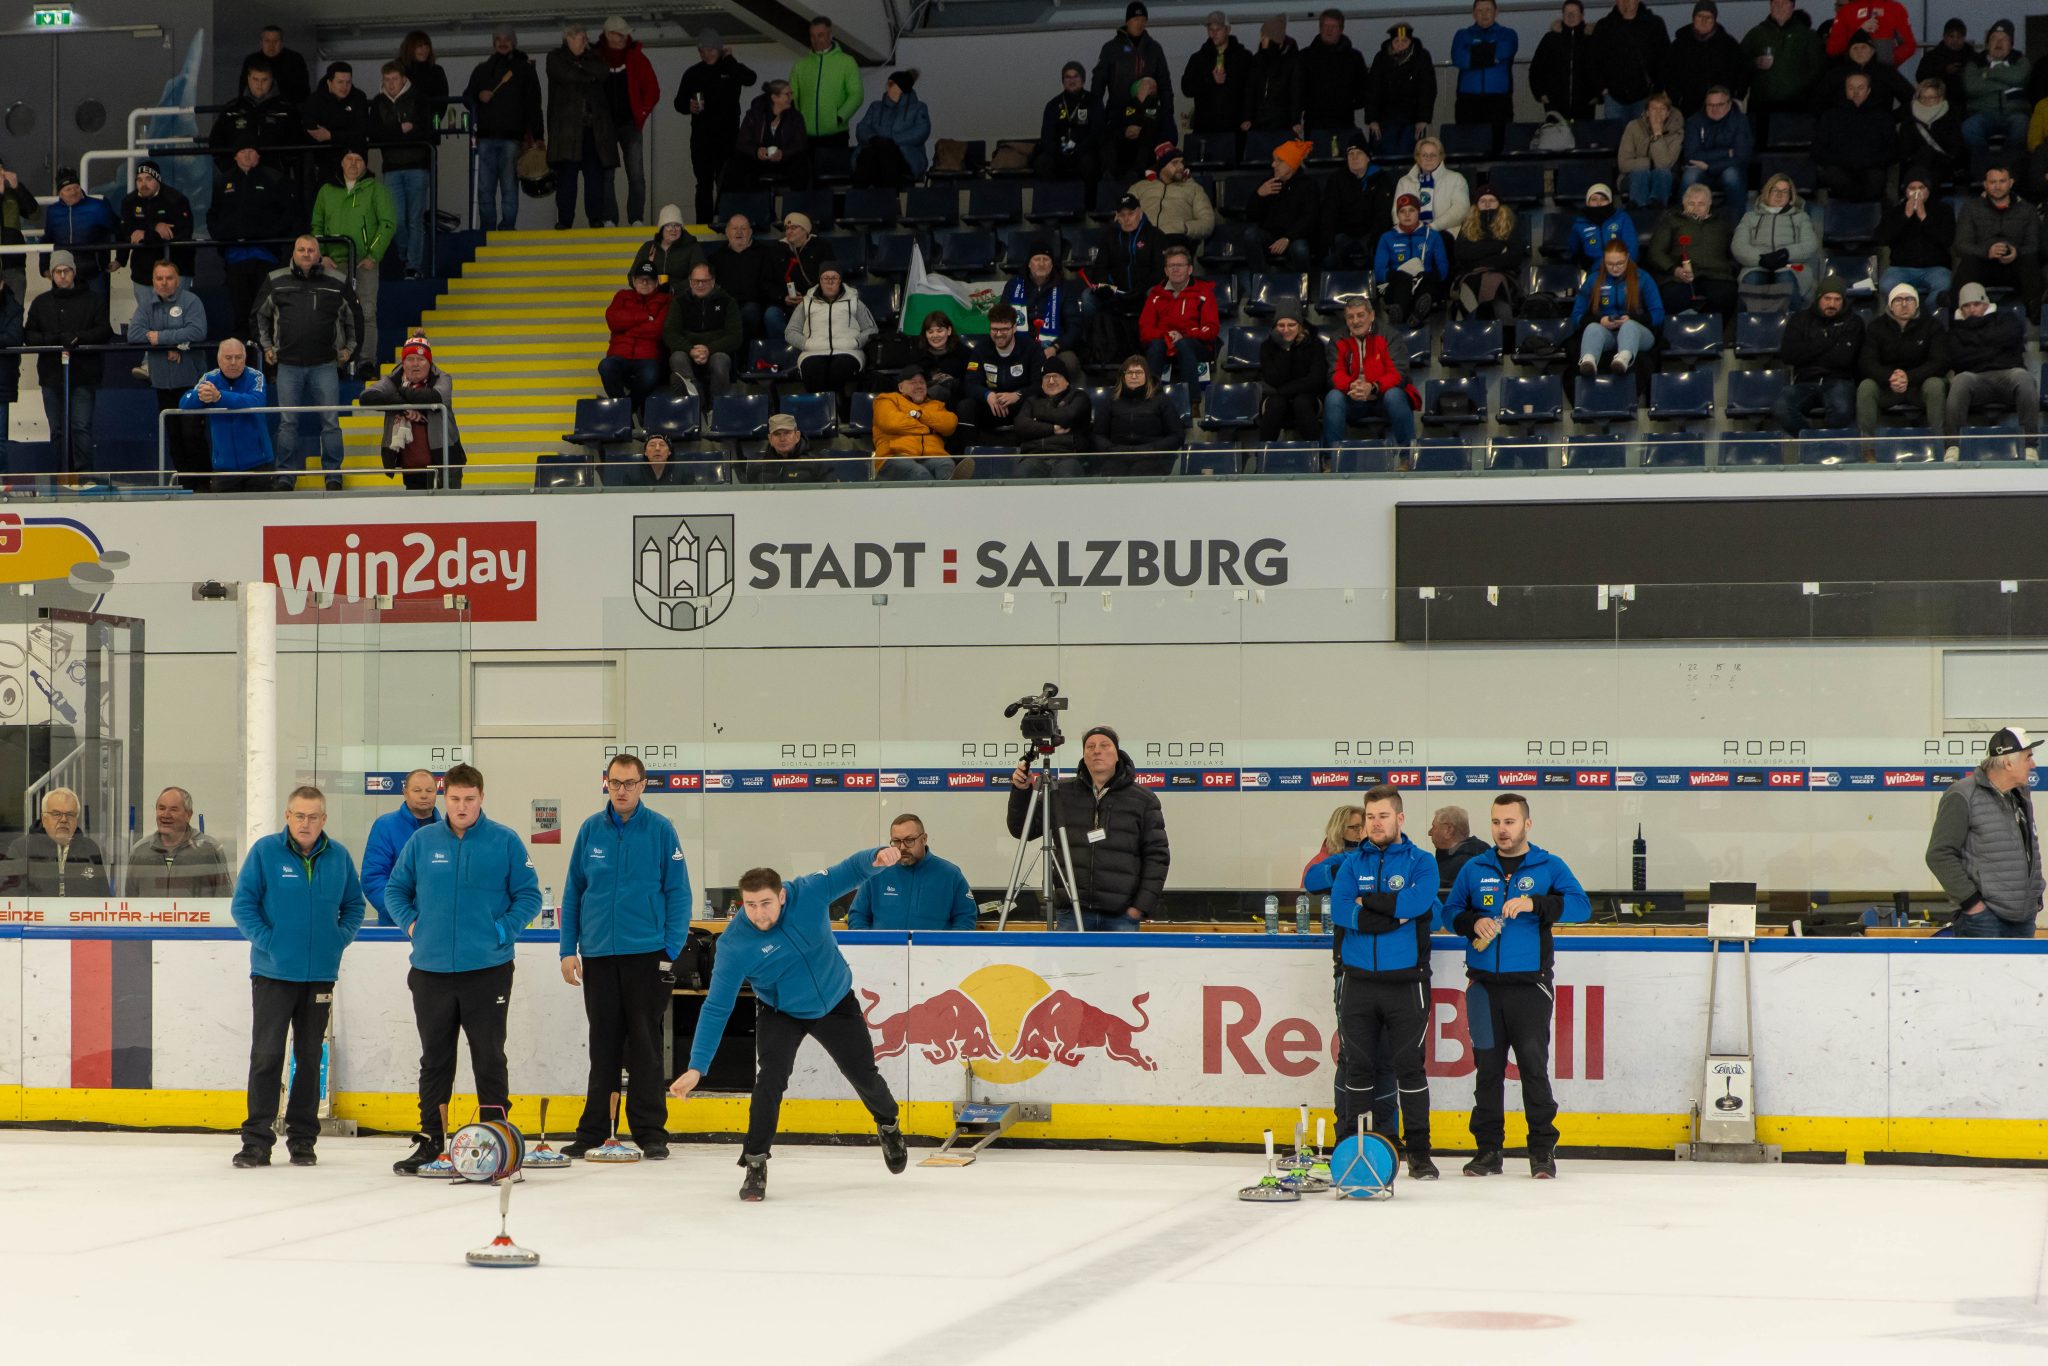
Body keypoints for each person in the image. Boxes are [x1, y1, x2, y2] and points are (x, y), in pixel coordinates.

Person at [668, 844, 911, 1201]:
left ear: (782, 895)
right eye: (749, 905)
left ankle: (888, 1125)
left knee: (863, 1074)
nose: (758, 913)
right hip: (780, 1011)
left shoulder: (808, 892)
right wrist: (696, 1067)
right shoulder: (735, 944)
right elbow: (717, 1007)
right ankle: (755, 1163)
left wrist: (877, 857)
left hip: (835, 1000)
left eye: (765, 903)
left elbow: (849, 870)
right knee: (770, 1080)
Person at [383, 763, 540, 1175]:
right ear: (444, 797)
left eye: (470, 799)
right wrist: (414, 925)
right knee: (435, 1060)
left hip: (487, 970)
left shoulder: (504, 841)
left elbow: (528, 896)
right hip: (431, 971)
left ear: (481, 798)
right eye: (454, 799)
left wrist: (501, 930)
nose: (462, 806)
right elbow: (395, 890)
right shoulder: (421, 842)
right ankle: (432, 1139)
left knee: (489, 1057)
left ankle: (495, 1138)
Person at [1440, 792, 1590, 1179]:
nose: (1502, 830)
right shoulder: (1475, 868)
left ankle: (1541, 1151)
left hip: (1530, 988)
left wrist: (1536, 904)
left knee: (1532, 1069)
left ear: (1526, 824)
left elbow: (1581, 907)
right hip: (1484, 988)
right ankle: (1488, 1151)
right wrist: (1472, 922)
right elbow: (1450, 911)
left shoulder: (1549, 865)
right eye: (1495, 822)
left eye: (1509, 822)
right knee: (1487, 1071)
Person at [1303, 784, 1442, 1179]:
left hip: (1407, 983)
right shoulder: (1350, 864)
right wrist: (1390, 916)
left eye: (1382, 816)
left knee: (1409, 1069)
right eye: (1369, 817)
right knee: (1357, 1069)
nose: (1374, 823)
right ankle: (1352, 1146)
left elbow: (1419, 904)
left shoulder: (1422, 861)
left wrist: (1372, 904)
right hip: (1358, 982)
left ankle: (1418, 1152)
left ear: (1399, 818)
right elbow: (1342, 910)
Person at [558, 753, 689, 1160]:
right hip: (597, 956)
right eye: (615, 782)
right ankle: (594, 1130)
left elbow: (679, 893)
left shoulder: (661, 830)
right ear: (606, 783)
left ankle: (651, 1132)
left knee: (646, 1048)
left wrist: (669, 950)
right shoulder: (589, 831)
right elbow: (573, 893)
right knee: (604, 1047)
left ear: (643, 785)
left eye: (630, 783)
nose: (622, 790)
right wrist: (568, 949)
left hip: (645, 956)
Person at [227, 785, 364, 1168]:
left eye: (314, 816)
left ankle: (303, 1140)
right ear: (287, 816)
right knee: (267, 1056)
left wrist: (337, 941)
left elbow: (354, 906)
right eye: (299, 815)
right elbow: (243, 905)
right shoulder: (266, 853)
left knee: (308, 1056)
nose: (306, 823)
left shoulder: (338, 858)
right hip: (272, 974)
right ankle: (256, 1140)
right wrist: (269, 942)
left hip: (320, 975)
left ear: (324, 820)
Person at [1007, 724, 1168, 930]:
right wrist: (1021, 791)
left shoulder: (1143, 799)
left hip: (1122, 916)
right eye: (1090, 747)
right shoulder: (1060, 793)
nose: (1097, 751)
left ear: (1117, 754)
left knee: (1121, 964)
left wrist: (1140, 907)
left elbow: (1157, 856)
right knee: (1067, 964)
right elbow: (1022, 829)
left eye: (1104, 745)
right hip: (1072, 914)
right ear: (1083, 755)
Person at [257, 236, 356, 490]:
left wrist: (350, 349)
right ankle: (285, 475)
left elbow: (355, 317)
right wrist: (266, 346)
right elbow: (259, 315)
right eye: (301, 249)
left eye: (311, 250)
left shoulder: (337, 280)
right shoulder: (276, 279)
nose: (306, 254)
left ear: (318, 253)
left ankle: (333, 474)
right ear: (294, 252)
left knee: (330, 422)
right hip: (287, 365)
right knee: (288, 422)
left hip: (325, 364)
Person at [1926, 727, 2042, 939]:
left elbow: (2027, 849)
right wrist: (1972, 904)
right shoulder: (1962, 795)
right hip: (1983, 921)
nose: (2033, 765)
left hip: (2023, 918)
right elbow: (1939, 854)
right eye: (2028, 758)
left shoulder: (2020, 795)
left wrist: (2034, 897)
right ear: (2008, 763)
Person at [22, 251, 111, 480]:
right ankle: (63, 474)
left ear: (73, 271)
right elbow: (29, 335)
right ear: (51, 274)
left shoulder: (93, 300)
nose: (62, 276)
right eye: (57, 272)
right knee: (58, 430)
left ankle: (84, 477)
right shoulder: (41, 303)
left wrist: (77, 338)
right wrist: (54, 339)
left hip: (84, 375)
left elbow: (104, 331)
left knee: (80, 426)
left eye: (66, 271)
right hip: (52, 377)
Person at [310, 148, 394, 380]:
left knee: (366, 311)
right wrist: (322, 255)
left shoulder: (376, 189)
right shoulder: (327, 190)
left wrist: (373, 255)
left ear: (365, 165)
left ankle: (366, 362)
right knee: (335, 311)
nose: (354, 164)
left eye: (359, 160)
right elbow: (316, 225)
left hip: (364, 262)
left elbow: (387, 223)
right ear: (341, 162)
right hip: (333, 262)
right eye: (349, 159)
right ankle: (337, 362)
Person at [127, 261, 209, 489]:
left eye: (169, 278)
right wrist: (173, 344)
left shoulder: (191, 301)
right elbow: (134, 334)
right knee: (175, 437)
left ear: (178, 280)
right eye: (159, 278)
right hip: (163, 383)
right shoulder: (147, 305)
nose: (164, 283)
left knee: (192, 435)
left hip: (191, 382)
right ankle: (185, 485)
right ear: (153, 281)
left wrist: (161, 339)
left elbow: (197, 331)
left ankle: (203, 484)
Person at [210, 142, 298, 340]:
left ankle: (267, 363)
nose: (247, 155)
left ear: (258, 155)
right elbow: (213, 216)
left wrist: (267, 235)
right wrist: (224, 237)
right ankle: (241, 365)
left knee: (265, 312)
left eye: (251, 151)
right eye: (242, 151)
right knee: (241, 314)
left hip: (266, 256)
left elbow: (288, 215)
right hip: (235, 257)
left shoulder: (274, 178)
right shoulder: (223, 181)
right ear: (235, 156)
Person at [1943, 282, 2038, 459]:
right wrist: (1994, 347)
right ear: (1961, 309)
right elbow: (1958, 358)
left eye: (1976, 304)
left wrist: (1974, 345)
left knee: (2024, 379)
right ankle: (1952, 446)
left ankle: (2030, 445)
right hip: (1974, 379)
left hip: (2008, 374)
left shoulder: (2007, 319)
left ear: (1986, 304)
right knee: (1959, 382)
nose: (1972, 309)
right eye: (1966, 306)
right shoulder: (1955, 331)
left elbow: (2011, 338)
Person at [465, 26, 545, 234]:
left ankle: (507, 228)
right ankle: (488, 231)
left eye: (507, 39)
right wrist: (477, 96)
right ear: (493, 43)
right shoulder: (481, 70)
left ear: (514, 42)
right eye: (498, 39)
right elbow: (467, 96)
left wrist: (538, 136)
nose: (503, 42)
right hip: (486, 139)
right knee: (485, 190)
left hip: (513, 140)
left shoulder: (525, 70)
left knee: (509, 188)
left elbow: (534, 104)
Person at [359, 334, 463, 489]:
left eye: (421, 359)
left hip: (446, 462)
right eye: (410, 359)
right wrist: (401, 403)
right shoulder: (394, 380)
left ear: (429, 362)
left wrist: (400, 394)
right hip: (412, 467)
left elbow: (434, 396)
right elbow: (366, 397)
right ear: (403, 363)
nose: (415, 364)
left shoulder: (443, 378)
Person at [675, 30, 756, 225]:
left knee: (726, 184)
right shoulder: (693, 73)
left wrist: (729, 60)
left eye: (711, 50)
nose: (706, 54)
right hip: (701, 140)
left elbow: (750, 78)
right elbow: (678, 102)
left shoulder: (731, 69)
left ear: (719, 50)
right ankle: (703, 225)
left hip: (728, 139)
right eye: (702, 51)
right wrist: (689, 106)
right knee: (703, 185)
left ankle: (726, 222)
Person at [848, 814, 978, 930]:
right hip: (882, 954)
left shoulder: (950, 874)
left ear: (924, 839)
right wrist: (868, 945)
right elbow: (858, 916)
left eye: (909, 840)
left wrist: (948, 948)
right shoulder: (877, 872)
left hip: (935, 955)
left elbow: (965, 918)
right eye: (897, 841)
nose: (903, 847)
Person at [180, 339, 276, 492]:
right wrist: (200, 396)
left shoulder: (256, 377)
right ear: (219, 360)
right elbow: (184, 404)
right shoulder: (209, 379)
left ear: (244, 359)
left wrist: (219, 397)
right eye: (228, 357)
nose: (233, 362)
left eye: (238, 357)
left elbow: (255, 401)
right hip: (224, 468)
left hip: (259, 465)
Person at [1324, 295, 1419, 451]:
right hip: (1353, 398)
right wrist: (1351, 385)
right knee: (1333, 398)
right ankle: (1330, 459)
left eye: (1361, 315)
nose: (1355, 321)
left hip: (1383, 398)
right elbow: (1334, 374)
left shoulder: (1389, 336)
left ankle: (1408, 456)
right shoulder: (1337, 339)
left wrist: (1373, 387)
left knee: (1395, 395)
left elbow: (1398, 373)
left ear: (1372, 315)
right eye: (1350, 317)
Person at [1856, 282, 1948, 441]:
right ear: (1890, 305)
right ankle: (1867, 448)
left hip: (1920, 386)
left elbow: (1939, 362)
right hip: (1887, 386)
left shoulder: (1933, 326)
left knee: (1935, 385)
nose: (1904, 304)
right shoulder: (1876, 327)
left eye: (1910, 299)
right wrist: (1890, 377)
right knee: (1866, 387)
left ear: (1917, 304)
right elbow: (1867, 362)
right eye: (1898, 300)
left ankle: (1939, 442)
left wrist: (1909, 377)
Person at [1771, 275, 1863, 435]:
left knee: (1842, 410)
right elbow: (1788, 355)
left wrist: (1809, 349)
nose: (1832, 304)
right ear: (1819, 297)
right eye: (1827, 298)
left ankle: (1824, 446)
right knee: (1781, 408)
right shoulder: (1799, 320)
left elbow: (1844, 359)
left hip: (1838, 380)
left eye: (1837, 299)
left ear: (1843, 301)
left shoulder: (1853, 322)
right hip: (1805, 381)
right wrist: (1828, 341)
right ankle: (1814, 444)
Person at [547, 23, 617, 230]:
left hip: (592, 130)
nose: (586, 42)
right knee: (567, 178)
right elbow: (565, 75)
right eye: (582, 38)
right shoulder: (555, 57)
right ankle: (565, 220)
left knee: (594, 176)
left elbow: (603, 72)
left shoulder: (594, 57)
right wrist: (588, 75)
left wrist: (581, 68)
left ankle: (595, 218)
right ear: (569, 38)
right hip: (567, 131)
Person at [369, 62, 432, 278]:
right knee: (396, 220)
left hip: (417, 166)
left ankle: (413, 265)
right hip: (392, 168)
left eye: (395, 79)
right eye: (387, 80)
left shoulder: (419, 98)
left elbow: (426, 132)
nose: (391, 84)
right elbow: (375, 135)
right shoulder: (378, 102)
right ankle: (406, 258)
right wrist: (400, 130)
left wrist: (391, 134)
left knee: (415, 218)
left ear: (404, 79)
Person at [1954, 163, 2042, 315]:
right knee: (1968, 263)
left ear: (2011, 183)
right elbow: (1961, 245)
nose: (1997, 186)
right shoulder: (1971, 208)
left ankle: (2035, 318)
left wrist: (2016, 251)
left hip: (2016, 265)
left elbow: (2035, 245)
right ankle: (1959, 316)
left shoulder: (2027, 210)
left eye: (2002, 181)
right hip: (1983, 264)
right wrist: (1987, 252)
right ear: (1985, 184)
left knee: (2031, 262)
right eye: (1993, 182)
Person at [598, 17, 661, 228]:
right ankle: (609, 219)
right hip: (604, 126)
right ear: (608, 35)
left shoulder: (637, 58)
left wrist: (641, 112)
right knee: (606, 174)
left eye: (625, 34)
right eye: (618, 34)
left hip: (630, 124)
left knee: (636, 174)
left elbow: (652, 90)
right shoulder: (596, 57)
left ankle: (636, 218)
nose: (623, 38)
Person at [786, 265, 875, 407]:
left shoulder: (854, 301)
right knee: (812, 369)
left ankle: (840, 406)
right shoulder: (806, 303)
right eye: (825, 278)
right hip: (813, 351)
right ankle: (819, 411)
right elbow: (791, 331)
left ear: (840, 281)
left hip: (848, 350)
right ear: (819, 281)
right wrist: (807, 344)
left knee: (839, 368)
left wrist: (855, 342)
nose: (830, 282)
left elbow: (871, 329)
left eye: (834, 278)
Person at [1645, 182, 1738, 317]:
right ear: (1684, 204)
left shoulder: (1721, 224)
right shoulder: (1671, 221)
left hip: (1716, 275)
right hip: (1678, 277)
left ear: (1709, 204)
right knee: (1673, 296)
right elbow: (1655, 252)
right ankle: (1683, 335)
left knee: (1726, 295)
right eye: (1691, 204)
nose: (1696, 208)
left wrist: (1730, 269)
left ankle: (1708, 333)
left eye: (1701, 204)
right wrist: (1674, 269)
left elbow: (1734, 252)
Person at [361, 769, 440, 925]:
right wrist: (405, 916)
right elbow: (373, 878)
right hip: (395, 928)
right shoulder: (385, 826)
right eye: (417, 790)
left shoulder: (447, 830)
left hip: (437, 927)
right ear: (405, 792)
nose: (424, 795)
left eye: (429, 790)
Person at [1573, 239, 1665, 374]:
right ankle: (1588, 361)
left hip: (1638, 333)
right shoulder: (1593, 279)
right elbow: (1576, 316)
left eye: (1620, 263)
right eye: (1610, 264)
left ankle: (1622, 360)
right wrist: (1600, 321)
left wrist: (1633, 318)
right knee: (1592, 328)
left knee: (1629, 326)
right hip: (1608, 334)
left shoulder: (1643, 278)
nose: (1615, 268)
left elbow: (1658, 314)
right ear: (1603, 260)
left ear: (1627, 257)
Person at [1741, 0, 1824, 146]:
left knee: (1792, 153)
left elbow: (1817, 69)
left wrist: (1797, 88)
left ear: (1792, 7)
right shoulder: (1756, 33)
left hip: (1797, 109)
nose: (1779, 7)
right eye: (1775, 3)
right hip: (1762, 108)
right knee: (1762, 154)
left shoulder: (1806, 36)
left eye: (1784, 3)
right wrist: (1755, 62)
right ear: (1770, 6)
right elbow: (1738, 61)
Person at [1731, 172, 1819, 308]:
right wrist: (1760, 259)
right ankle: (1750, 326)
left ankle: (1791, 325)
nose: (1779, 195)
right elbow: (1738, 246)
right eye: (1775, 190)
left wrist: (1786, 254)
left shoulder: (1801, 216)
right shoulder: (1750, 217)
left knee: (1785, 279)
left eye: (1784, 192)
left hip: (1791, 265)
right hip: (1756, 265)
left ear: (1790, 196)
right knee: (1751, 280)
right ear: (1767, 192)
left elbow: (1810, 245)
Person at [1138, 246, 1220, 388]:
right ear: (1165, 270)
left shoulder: (1204, 293)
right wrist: (1167, 335)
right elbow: (1145, 330)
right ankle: (1150, 400)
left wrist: (1184, 334)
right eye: (1171, 265)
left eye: (1180, 265)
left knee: (1184, 344)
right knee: (1155, 346)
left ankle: (1193, 402)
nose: (1175, 269)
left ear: (1190, 269)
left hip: (1196, 344)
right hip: (1164, 343)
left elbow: (1211, 329)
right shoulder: (1155, 295)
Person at [0, 787, 108, 895]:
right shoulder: (22, 848)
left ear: (77, 820)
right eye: (56, 814)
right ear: (44, 819)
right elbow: (9, 896)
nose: (64, 820)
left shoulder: (89, 848)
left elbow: (104, 896)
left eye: (70, 814)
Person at [1091, 355, 1186, 474]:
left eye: (1139, 372)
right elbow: (1098, 435)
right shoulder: (1111, 401)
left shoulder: (1161, 400)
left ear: (1147, 376)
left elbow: (1177, 435)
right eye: (1130, 372)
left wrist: (1152, 449)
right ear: (1123, 376)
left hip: (1154, 457)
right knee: (1113, 472)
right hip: (1117, 457)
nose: (1134, 376)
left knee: (1140, 471)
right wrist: (1112, 450)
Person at [117, 160, 195, 303]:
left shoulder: (175, 199)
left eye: (148, 179)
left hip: (176, 269)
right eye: (139, 180)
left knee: (175, 316)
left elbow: (181, 234)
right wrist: (120, 259)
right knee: (148, 318)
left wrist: (146, 234)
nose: (143, 184)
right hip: (143, 272)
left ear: (158, 179)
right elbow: (126, 232)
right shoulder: (129, 202)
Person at [1093, 2, 1175, 137]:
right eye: (1136, 19)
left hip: (1148, 114)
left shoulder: (1154, 49)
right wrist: (1097, 114)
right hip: (1118, 113)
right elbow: (1098, 82)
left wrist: (1167, 113)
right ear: (1127, 21)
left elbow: (1164, 84)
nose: (1139, 24)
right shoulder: (1111, 48)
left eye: (1143, 20)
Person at [599, 261, 670, 415]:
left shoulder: (665, 300)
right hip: (619, 354)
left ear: (657, 282)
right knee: (605, 367)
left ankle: (623, 412)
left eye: (649, 279)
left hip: (647, 356)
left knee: (651, 375)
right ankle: (627, 412)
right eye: (641, 279)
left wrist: (627, 327)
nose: (644, 283)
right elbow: (613, 321)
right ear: (633, 281)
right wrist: (645, 317)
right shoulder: (622, 296)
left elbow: (657, 330)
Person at [664, 263, 741, 401]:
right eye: (695, 281)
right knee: (677, 358)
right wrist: (691, 350)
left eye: (704, 281)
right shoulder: (679, 302)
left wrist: (708, 349)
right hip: (688, 352)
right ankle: (696, 402)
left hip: (717, 351)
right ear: (690, 282)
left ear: (713, 281)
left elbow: (735, 336)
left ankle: (717, 407)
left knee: (720, 361)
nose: (699, 285)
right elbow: (670, 334)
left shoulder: (728, 302)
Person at [1875, 172, 1955, 305]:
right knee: (1886, 284)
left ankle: (1924, 316)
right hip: (1901, 268)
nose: (1917, 192)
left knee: (1944, 285)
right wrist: (1905, 216)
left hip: (1936, 268)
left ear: (1928, 189)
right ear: (1905, 191)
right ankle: (1904, 313)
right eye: (1912, 188)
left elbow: (1947, 240)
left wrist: (1924, 217)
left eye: (1921, 187)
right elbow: (1881, 238)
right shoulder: (1895, 211)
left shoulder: (1943, 210)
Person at [964, 304, 1044, 436]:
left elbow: (1039, 385)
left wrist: (1018, 395)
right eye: (994, 329)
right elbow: (970, 383)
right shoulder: (980, 349)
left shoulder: (1031, 349)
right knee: (966, 406)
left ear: (1014, 328)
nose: (999, 334)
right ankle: (970, 453)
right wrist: (987, 395)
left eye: (1004, 329)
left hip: (1020, 405)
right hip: (991, 405)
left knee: (1036, 403)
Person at [1817, 73, 1899, 201]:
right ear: (1845, 90)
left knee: (1876, 179)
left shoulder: (1883, 117)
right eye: (1851, 88)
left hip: (1872, 168)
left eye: (1860, 88)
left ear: (1868, 91)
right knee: (1834, 177)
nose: (1855, 92)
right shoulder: (1830, 116)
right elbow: (1818, 149)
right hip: (1839, 169)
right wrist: (1843, 161)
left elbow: (1892, 150)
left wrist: (1870, 161)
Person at [1452, 0, 1520, 153]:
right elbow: (1459, 58)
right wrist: (1491, 56)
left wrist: (1473, 52)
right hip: (1467, 101)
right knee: (1468, 150)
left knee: (1498, 150)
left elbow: (1504, 51)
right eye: (1480, 10)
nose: (1484, 14)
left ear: (1496, 12)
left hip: (1499, 102)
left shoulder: (1508, 34)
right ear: (1473, 13)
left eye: (1488, 10)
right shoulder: (1462, 34)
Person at [1001, 244, 1081, 373]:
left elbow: (1074, 326)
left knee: (1069, 362)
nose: (1041, 263)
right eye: (1037, 259)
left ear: (1052, 265)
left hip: (1054, 347)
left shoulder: (1065, 288)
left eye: (1046, 259)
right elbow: (1002, 320)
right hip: (1018, 346)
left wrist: (1056, 347)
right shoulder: (1012, 286)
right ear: (1029, 264)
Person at [1450, 184, 1525, 321]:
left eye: (1492, 200)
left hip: (1503, 274)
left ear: (1499, 203)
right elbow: (1461, 254)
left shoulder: (1510, 224)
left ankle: (1502, 330)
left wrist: (1480, 258)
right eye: (1483, 201)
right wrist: (1497, 247)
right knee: (1471, 282)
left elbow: (1515, 256)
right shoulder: (1468, 225)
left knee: (1495, 281)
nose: (1487, 204)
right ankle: (1466, 329)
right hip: (1471, 274)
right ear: (1477, 204)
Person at [1373, 194, 1450, 327]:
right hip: (1396, 284)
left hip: (1423, 282)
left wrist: (1429, 275)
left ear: (1418, 212)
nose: (1407, 215)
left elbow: (1443, 268)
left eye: (1411, 210)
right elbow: (1378, 271)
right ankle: (1400, 314)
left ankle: (1417, 314)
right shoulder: (1387, 238)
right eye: (1402, 211)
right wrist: (1395, 275)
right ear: (1397, 214)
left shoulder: (1432, 236)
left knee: (1427, 287)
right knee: (1403, 282)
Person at [790, 15, 864, 152]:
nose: (816, 40)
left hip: (836, 135)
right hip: (805, 136)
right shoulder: (801, 65)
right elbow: (792, 95)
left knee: (835, 172)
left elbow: (856, 95)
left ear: (830, 35)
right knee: (807, 173)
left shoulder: (847, 62)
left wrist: (839, 117)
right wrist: (798, 120)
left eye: (820, 35)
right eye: (812, 36)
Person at [1319, 131, 1393, 267]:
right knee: (1330, 257)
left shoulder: (1381, 179)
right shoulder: (1336, 180)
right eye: (1350, 154)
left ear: (1368, 158)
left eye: (1359, 153)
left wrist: (1375, 238)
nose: (1354, 157)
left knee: (1380, 251)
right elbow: (1328, 212)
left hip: (1371, 233)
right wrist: (1329, 239)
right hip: (1344, 234)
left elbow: (1383, 213)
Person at [872, 366, 959, 481]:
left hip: (932, 456)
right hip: (895, 458)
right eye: (913, 383)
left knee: (946, 464)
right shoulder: (886, 400)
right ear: (901, 387)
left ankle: (949, 488)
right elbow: (893, 423)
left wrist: (920, 415)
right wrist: (931, 428)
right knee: (920, 474)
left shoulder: (936, 405)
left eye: (922, 382)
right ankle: (945, 490)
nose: (919, 386)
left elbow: (949, 425)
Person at [1664, 1, 1750, 116]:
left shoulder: (1728, 44)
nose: (1703, 21)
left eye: (1708, 17)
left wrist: (1736, 97)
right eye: (1700, 16)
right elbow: (1668, 74)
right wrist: (1678, 99)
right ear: (1693, 18)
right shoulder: (1679, 45)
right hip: (1689, 110)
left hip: (1721, 108)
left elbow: (1743, 71)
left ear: (1714, 20)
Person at [1680, 86, 1753, 220]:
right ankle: (1685, 223)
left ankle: (1737, 224)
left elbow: (1742, 156)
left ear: (1729, 104)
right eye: (1710, 105)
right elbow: (1691, 155)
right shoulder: (1694, 121)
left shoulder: (1740, 121)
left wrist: (1710, 166)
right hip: (1701, 170)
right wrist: (1726, 152)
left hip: (1727, 169)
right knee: (1690, 175)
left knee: (1731, 175)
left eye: (1720, 104)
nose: (1715, 109)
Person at [41, 170, 117, 299]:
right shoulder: (53, 211)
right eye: (68, 189)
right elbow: (47, 239)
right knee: (65, 314)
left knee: (98, 313)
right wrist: (44, 266)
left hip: (94, 272)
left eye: (76, 187)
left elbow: (118, 229)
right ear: (60, 193)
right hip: (64, 274)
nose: (73, 192)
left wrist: (121, 259)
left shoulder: (98, 206)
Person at [1366, 23, 1435, 160]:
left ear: (1411, 41)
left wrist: (1423, 118)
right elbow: (1372, 90)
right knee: (1384, 158)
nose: (1400, 44)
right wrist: (1372, 119)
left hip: (1412, 121)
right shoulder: (1381, 58)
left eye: (1404, 41)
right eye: (1396, 41)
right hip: (1385, 121)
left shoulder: (1422, 57)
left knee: (1409, 158)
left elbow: (1428, 90)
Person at [209, 63, 304, 161]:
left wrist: (282, 166)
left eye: (264, 80)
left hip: (275, 172)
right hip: (239, 172)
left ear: (272, 80)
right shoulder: (232, 109)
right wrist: (231, 168)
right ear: (248, 79)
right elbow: (216, 143)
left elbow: (297, 144)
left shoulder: (286, 110)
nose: (259, 84)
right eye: (255, 79)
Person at [1256, 302, 1323, 441]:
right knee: (1276, 403)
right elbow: (1272, 379)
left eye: (1291, 325)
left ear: (1300, 325)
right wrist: (1285, 349)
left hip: (1308, 399)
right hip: (1276, 398)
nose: (1286, 330)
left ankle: (1317, 456)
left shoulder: (1315, 344)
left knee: (1301, 402)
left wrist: (1284, 389)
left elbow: (1315, 380)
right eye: (1281, 325)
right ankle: (1263, 456)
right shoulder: (1267, 347)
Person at [1014, 360, 1092, 478]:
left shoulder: (1078, 397)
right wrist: (1052, 428)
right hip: (1034, 457)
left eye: (1055, 376)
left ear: (1066, 381)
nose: (1051, 381)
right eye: (1047, 377)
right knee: (1022, 474)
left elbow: (1067, 417)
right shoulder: (1031, 401)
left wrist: (1039, 415)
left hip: (1067, 456)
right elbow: (1021, 426)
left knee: (1067, 474)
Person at [1593, 0, 1671, 119]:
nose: (1626, 2)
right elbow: (1595, 60)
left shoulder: (1654, 24)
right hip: (1614, 98)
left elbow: (1664, 59)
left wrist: (1657, 90)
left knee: (1643, 136)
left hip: (1645, 98)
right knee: (1615, 137)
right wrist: (1602, 88)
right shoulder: (1604, 26)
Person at [712, 215, 785, 342]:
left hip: (753, 304)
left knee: (749, 313)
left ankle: (746, 358)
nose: (739, 232)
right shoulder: (716, 257)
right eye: (735, 228)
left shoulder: (765, 253)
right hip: (726, 304)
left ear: (750, 232)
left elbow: (769, 284)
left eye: (743, 228)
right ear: (727, 232)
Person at [1183, 11, 1253, 143]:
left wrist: (1247, 117)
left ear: (1228, 29)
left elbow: (1250, 90)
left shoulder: (1243, 58)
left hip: (1234, 129)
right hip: (1206, 129)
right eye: (1210, 29)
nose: (1214, 33)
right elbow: (1186, 88)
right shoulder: (1198, 59)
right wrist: (1210, 81)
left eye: (1218, 29)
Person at [853, 70, 930, 187]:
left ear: (901, 87)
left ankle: (883, 197)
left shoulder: (918, 108)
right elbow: (862, 128)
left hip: (906, 156)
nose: (886, 87)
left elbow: (921, 131)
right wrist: (873, 138)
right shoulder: (876, 107)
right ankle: (860, 198)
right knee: (869, 154)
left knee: (884, 151)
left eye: (890, 84)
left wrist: (893, 140)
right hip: (874, 151)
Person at [1249, 139, 1318, 268]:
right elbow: (1251, 215)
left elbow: (1309, 218)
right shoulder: (1269, 182)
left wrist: (1288, 238)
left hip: (1295, 237)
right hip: (1271, 236)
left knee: (1300, 249)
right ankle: (1261, 282)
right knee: (1251, 235)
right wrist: (1258, 195)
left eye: (1279, 161)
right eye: (1274, 160)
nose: (1273, 165)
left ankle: (1303, 287)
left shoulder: (1308, 185)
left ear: (1291, 164)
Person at [1961, 20, 2029, 151]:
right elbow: (1971, 87)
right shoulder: (1974, 62)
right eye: (1994, 38)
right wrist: (2006, 84)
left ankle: (2009, 166)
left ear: (2011, 44)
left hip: (2015, 113)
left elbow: (2018, 77)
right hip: (1982, 114)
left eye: (2004, 39)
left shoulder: (2020, 60)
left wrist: (1987, 74)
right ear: (1987, 43)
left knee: (2022, 126)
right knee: (1969, 128)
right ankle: (1984, 164)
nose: (1998, 43)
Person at [1300, 9, 1368, 136]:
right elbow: (1297, 89)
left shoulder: (1354, 57)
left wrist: (1348, 103)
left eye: (1333, 26)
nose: (1329, 30)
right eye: (1325, 26)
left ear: (1341, 29)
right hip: (1314, 124)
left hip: (1344, 122)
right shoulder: (1305, 57)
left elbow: (1364, 89)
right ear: (1320, 28)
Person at [1131, 145, 1216, 247]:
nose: (1181, 167)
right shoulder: (1139, 187)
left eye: (1181, 162)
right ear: (1162, 166)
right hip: (1144, 241)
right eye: (1175, 162)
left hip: (1176, 242)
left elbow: (1207, 223)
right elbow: (1123, 213)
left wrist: (1185, 228)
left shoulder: (1194, 188)